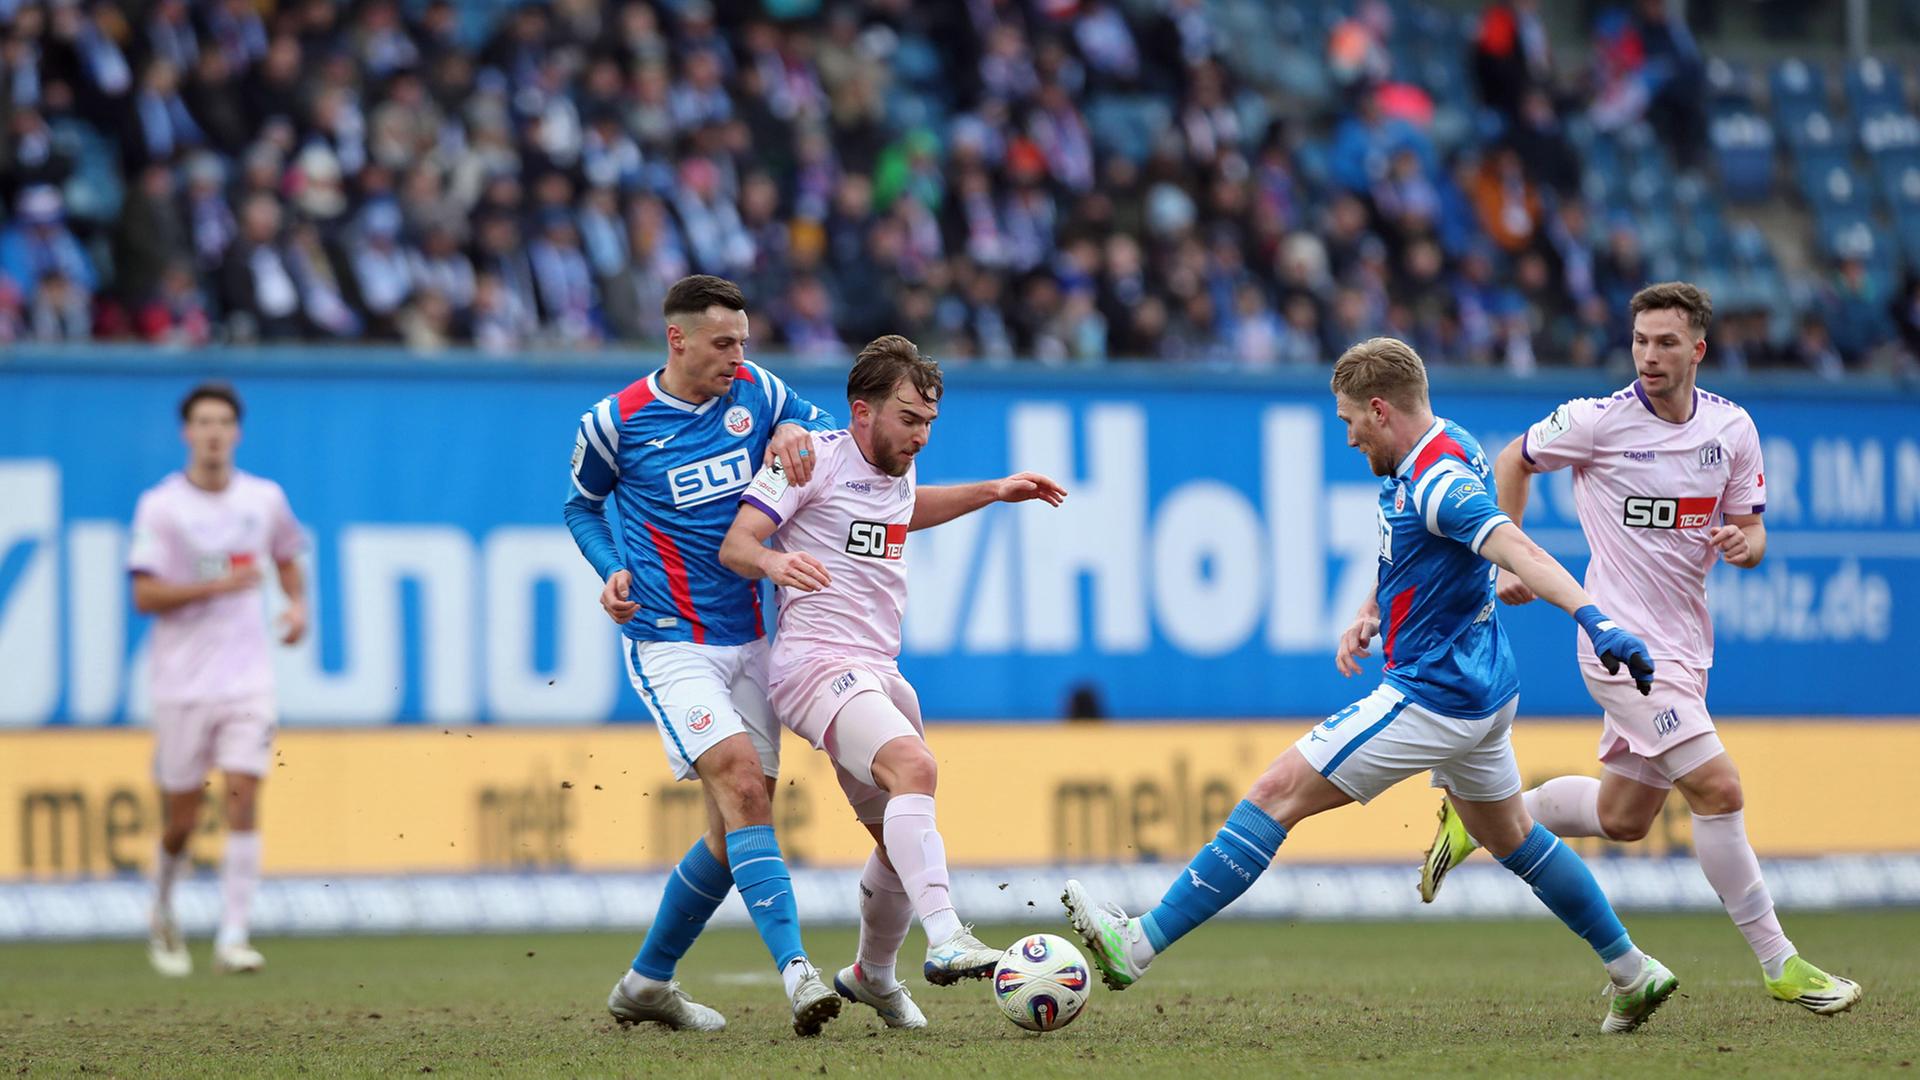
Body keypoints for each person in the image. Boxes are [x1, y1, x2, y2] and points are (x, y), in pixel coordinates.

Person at [1063, 337, 1682, 1034]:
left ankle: (1134, 946)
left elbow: (1517, 547)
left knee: (1275, 792)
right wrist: (1370, 610)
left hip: (1434, 694)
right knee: (1512, 836)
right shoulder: (1447, 445)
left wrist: (1595, 621)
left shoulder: (1440, 482)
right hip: (1485, 687)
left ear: (1380, 409)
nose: (1348, 435)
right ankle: (1633, 970)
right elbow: (1411, 548)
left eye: (1349, 419)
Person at [1420, 282, 1863, 1015]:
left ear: (1699, 350)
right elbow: (1513, 457)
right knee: (1720, 790)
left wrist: (1739, 544)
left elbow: (1753, 535)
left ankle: (1477, 821)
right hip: (1621, 646)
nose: (1649, 356)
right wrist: (1506, 561)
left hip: (1688, 651)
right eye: (1640, 341)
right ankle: (1781, 965)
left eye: (1665, 343)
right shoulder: (1598, 422)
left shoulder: (1733, 430)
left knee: (1625, 818)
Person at [718, 335, 1067, 1029]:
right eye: (909, 418)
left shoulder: (896, 468)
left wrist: (993, 491)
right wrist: (775, 565)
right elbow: (737, 545)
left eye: (929, 423)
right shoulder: (809, 459)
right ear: (861, 411)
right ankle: (947, 937)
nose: (921, 436)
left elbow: (904, 510)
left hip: (877, 667)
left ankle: (872, 975)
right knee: (915, 767)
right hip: (813, 663)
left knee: (894, 841)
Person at [563, 274, 844, 1037]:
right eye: (723, 343)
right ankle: (798, 974)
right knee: (745, 792)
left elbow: (822, 429)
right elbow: (582, 506)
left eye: (744, 342)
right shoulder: (614, 422)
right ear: (677, 339)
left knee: (731, 834)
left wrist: (800, 432)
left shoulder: (758, 389)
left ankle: (647, 982)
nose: (738, 357)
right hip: (670, 641)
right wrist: (609, 568)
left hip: (751, 637)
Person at [130, 382, 308, 977]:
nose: (213, 432)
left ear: (237, 432)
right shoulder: (161, 507)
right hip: (181, 682)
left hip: (246, 679)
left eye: (223, 422)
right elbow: (144, 593)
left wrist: (297, 606)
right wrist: (215, 586)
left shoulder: (263, 498)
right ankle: (161, 908)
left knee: (243, 794)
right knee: (182, 816)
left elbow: (287, 555)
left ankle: (233, 935)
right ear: (187, 432)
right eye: (203, 422)